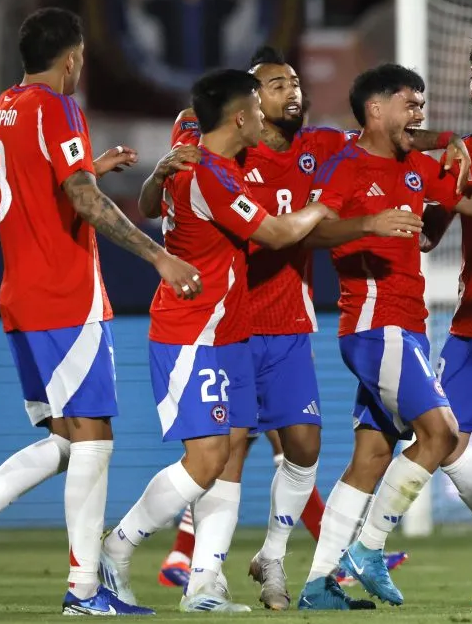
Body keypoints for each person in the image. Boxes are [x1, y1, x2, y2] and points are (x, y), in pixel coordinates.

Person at [140, 48, 463, 608]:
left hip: (290, 320)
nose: (292, 92)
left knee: (305, 445)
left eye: (294, 82)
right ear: (249, 105)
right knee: (229, 448)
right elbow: (160, 201)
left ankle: (272, 554)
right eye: (275, 85)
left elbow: (380, 132)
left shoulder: (323, 146)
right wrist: (154, 174)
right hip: (232, 320)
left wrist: (443, 139)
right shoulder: (218, 149)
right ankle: (203, 573)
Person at [297, 63, 472, 610]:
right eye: (409, 105)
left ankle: (317, 584)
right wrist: (368, 225)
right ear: (377, 109)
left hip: (407, 329)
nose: (419, 115)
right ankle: (369, 550)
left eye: (422, 106)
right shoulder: (347, 165)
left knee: (371, 456)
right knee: (443, 434)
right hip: (377, 327)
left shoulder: (418, 166)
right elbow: (316, 226)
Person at [0, 7, 199, 616]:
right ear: (72, 58)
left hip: (19, 296)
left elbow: (36, 180)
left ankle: (87, 589)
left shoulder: (2, 107)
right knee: (94, 441)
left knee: (63, 443)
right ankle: (85, 591)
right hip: (63, 295)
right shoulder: (57, 107)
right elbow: (82, 200)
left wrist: (86, 168)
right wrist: (159, 257)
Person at [98, 69, 333, 613]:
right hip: (192, 332)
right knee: (206, 460)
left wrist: (156, 178)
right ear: (241, 117)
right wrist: (325, 205)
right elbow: (275, 233)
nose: (264, 112)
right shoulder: (214, 176)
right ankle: (117, 547)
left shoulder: (195, 154)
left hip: (227, 332)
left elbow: (157, 201)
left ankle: (204, 582)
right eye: (257, 102)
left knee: (224, 454)